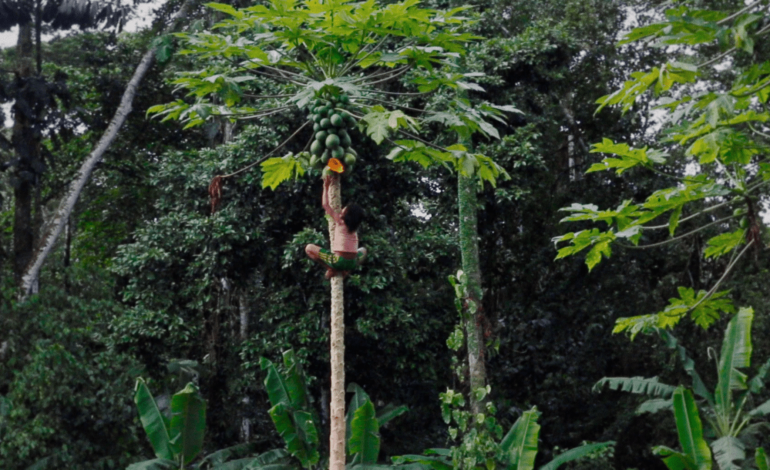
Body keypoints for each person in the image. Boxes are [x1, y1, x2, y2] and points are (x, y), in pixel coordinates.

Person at [305, 174, 367, 278]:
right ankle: (346, 270)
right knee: (363, 250)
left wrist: (326, 185)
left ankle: (330, 268)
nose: (342, 209)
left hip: (338, 261)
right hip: (352, 262)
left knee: (309, 248)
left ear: (346, 214)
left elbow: (325, 204)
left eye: (344, 209)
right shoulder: (355, 226)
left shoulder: (340, 222)